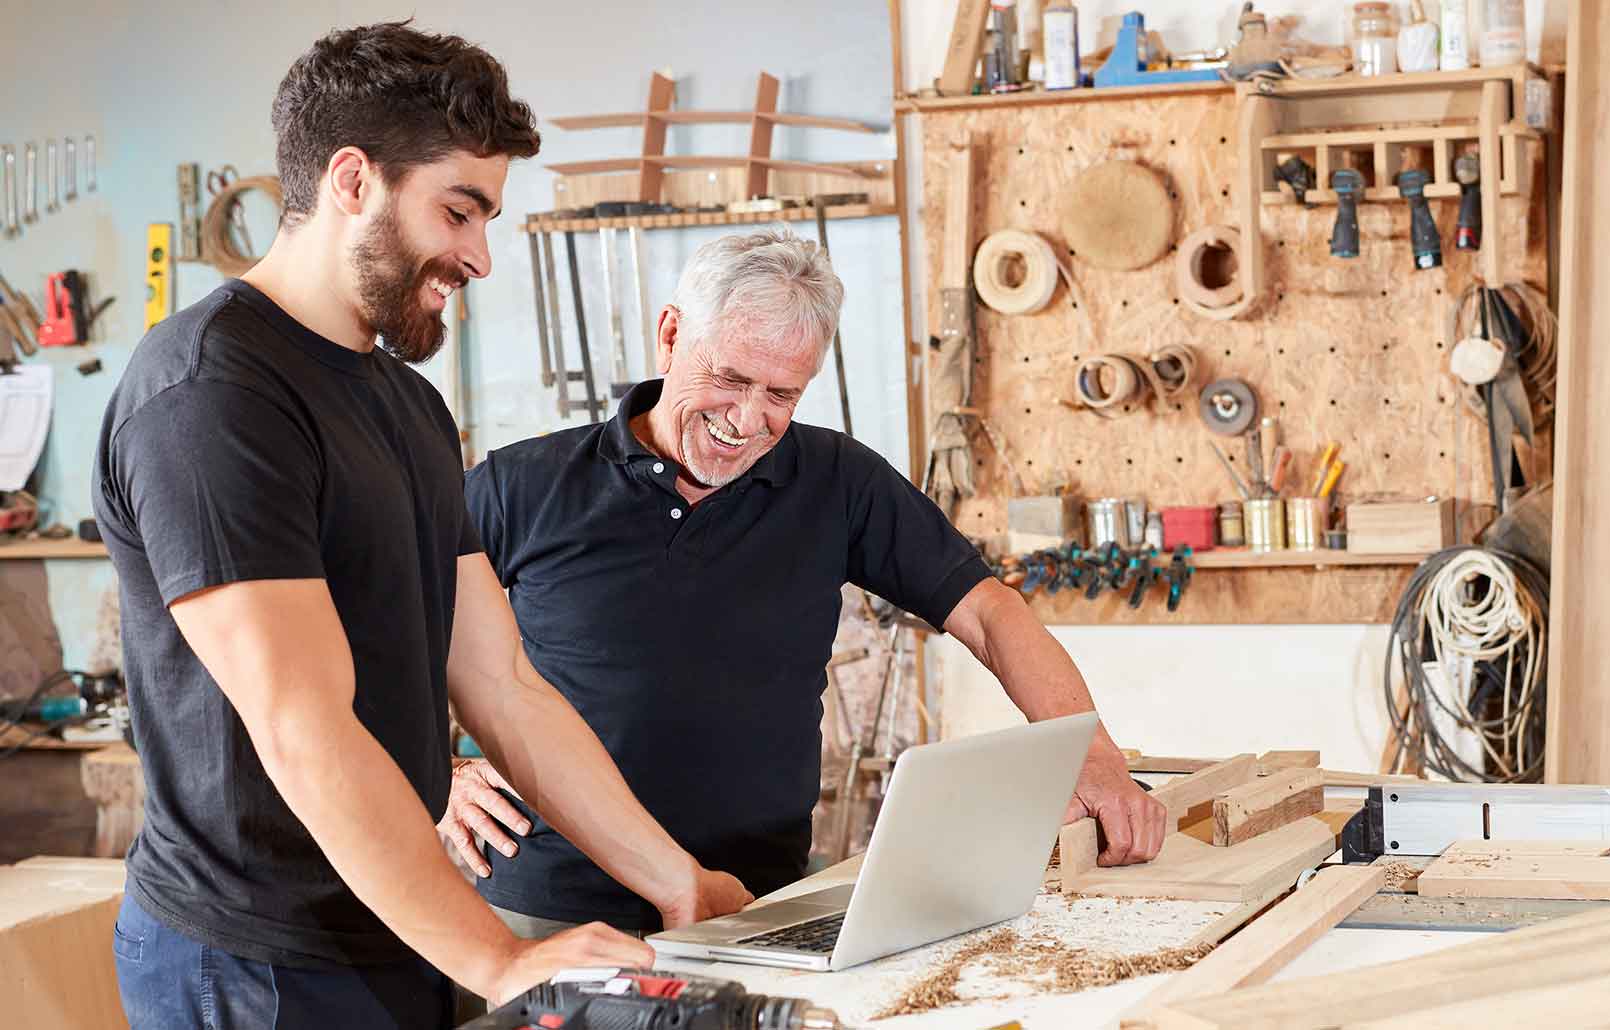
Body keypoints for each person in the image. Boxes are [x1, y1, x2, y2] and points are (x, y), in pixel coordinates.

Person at [91, 23, 748, 1028]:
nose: (480, 256)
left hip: (392, 924)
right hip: (251, 961)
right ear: (351, 180)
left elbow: (503, 685)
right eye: (459, 211)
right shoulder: (212, 396)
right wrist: (498, 961)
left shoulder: (406, 407)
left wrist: (677, 879)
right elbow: (304, 726)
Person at [440, 230, 1168, 940]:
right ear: (670, 334)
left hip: (755, 905)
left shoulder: (837, 481)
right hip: (547, 908)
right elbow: (375, 635)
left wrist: (1093, 753)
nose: (748, 421)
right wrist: (434, 774)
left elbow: (987, 611)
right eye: (728, 378)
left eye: (782, 393)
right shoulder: (519, 485)